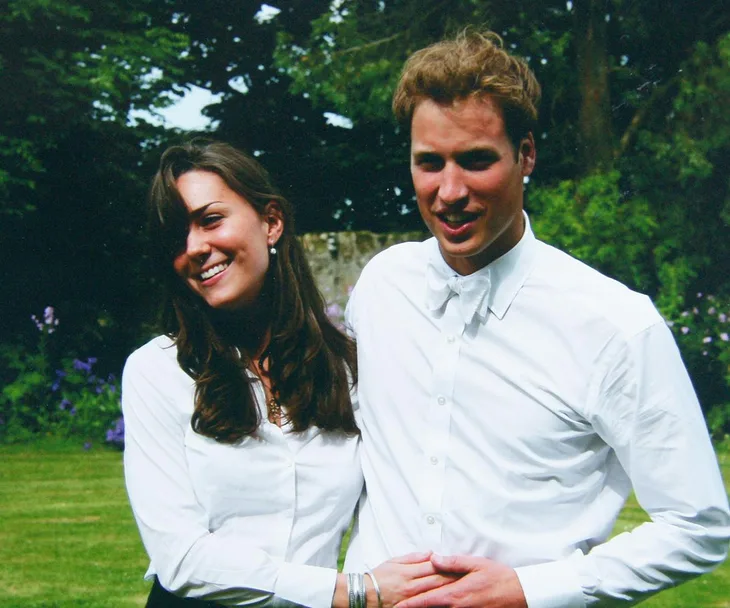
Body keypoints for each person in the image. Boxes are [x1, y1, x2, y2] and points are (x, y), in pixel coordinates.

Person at [344, 30, 730, 607]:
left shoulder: (614, 325)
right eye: (430, 163)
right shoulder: (380, 286)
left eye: (476, 161)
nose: (449, 191)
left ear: (526, 154)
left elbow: (700, 525)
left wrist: (532, 590)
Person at [122, 140, 452, 607]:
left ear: (271, 222)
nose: (194, 247)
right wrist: (351, 592)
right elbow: (181, 558)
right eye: (177, 237)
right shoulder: (157, 371)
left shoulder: (347, 370)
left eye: (210, 220)